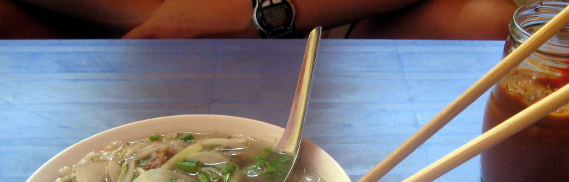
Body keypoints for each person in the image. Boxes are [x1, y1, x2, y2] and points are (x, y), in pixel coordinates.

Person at [0, 0, 516, 40]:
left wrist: (260, 13)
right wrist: (167, 16)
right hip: (135, 21)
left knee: (488, 22)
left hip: (322, 16)